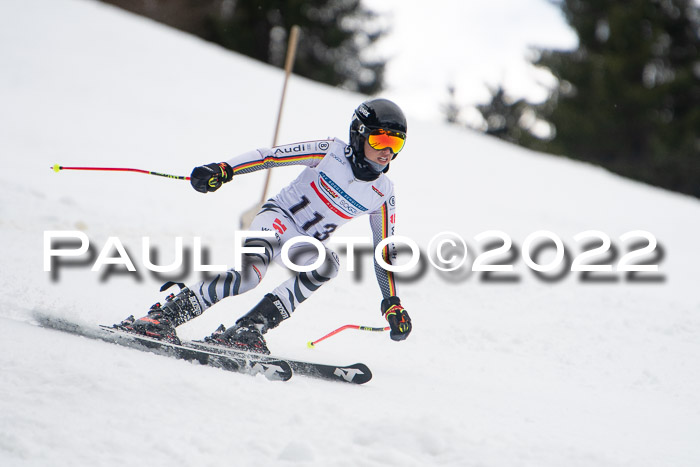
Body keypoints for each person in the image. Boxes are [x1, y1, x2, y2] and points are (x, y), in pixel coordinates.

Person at [116, 98, 412, 353]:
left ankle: (248, 329)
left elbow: (383, 251)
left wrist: (392, 302)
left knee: (327, 265)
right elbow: (270, 157)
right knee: (248, 277)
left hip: (304, 243)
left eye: (396, 142)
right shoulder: (329, 153)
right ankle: (164, 316)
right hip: (278, 220)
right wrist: (224, 169)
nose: (387, 151)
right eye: (380, 140)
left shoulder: (383, 193)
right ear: (359, 136)